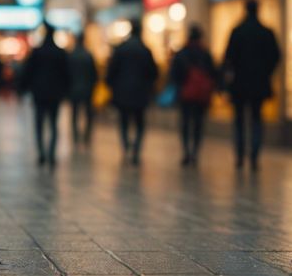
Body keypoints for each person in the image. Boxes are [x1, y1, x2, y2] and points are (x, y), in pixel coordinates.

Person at [223, 0, 280, 171]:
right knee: (256, 118)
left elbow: (228, 59)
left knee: (239, 120)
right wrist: (266, 73)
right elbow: (276, 56)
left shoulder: (237, 31)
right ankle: (254, 155)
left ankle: (240, 155)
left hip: (239, 84)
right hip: (259, 83)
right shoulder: (266, 32)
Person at [106, 19, 158, 166]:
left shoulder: (121, 49)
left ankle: (126, 146)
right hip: (140, 92)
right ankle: (136, 148)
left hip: (122, 92)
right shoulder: (145, 50)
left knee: (123, 121)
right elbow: (154, 72)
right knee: (140, 122)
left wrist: (111, 86)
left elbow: (112, 71)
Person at [20, 23, 70, 166]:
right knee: (54, 124)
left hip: (39, 93)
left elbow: (28, 72)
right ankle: (51, 153)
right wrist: (65, 90)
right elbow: (66, 74)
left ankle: (41, 151)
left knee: (39, 123)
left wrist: (24, 88)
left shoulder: (37, 52)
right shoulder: (60, 53)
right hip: (55, 93)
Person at [170, 25, 217, 166]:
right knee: (198, 124)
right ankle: (195, 152)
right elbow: (213, 73)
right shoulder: (205, 53)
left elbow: (174, 74)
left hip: (185, 94)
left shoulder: (182, 53)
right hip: (201, 96)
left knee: (185, 123)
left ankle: (186, 151)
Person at [66, 34, 97, 145]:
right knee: (88, 113)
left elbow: (67, 74)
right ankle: (86, 135)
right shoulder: (88, 55)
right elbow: (94, 74)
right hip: (87, 89)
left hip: (74, 89)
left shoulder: (71, 55)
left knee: (75, 113)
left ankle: (75, 135)